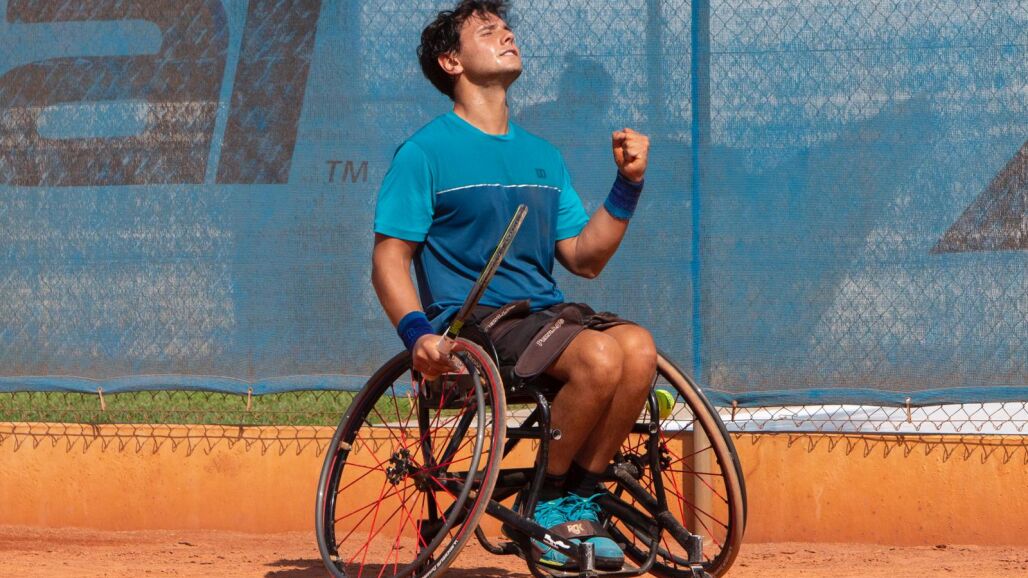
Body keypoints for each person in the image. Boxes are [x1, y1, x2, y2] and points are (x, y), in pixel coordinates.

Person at [371, 0, 653, 570]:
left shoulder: (542, 156)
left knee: (639, 348)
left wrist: (627, 184)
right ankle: (544, 502)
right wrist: (417, 335)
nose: (507, 35)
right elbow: (389, 259)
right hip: (476, 326)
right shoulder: (424, 153)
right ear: (451, 61)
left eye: (507, 28)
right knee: (600, 357)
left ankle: (579, 497)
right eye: (488, 30)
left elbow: (584, 257)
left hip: (544, 318)